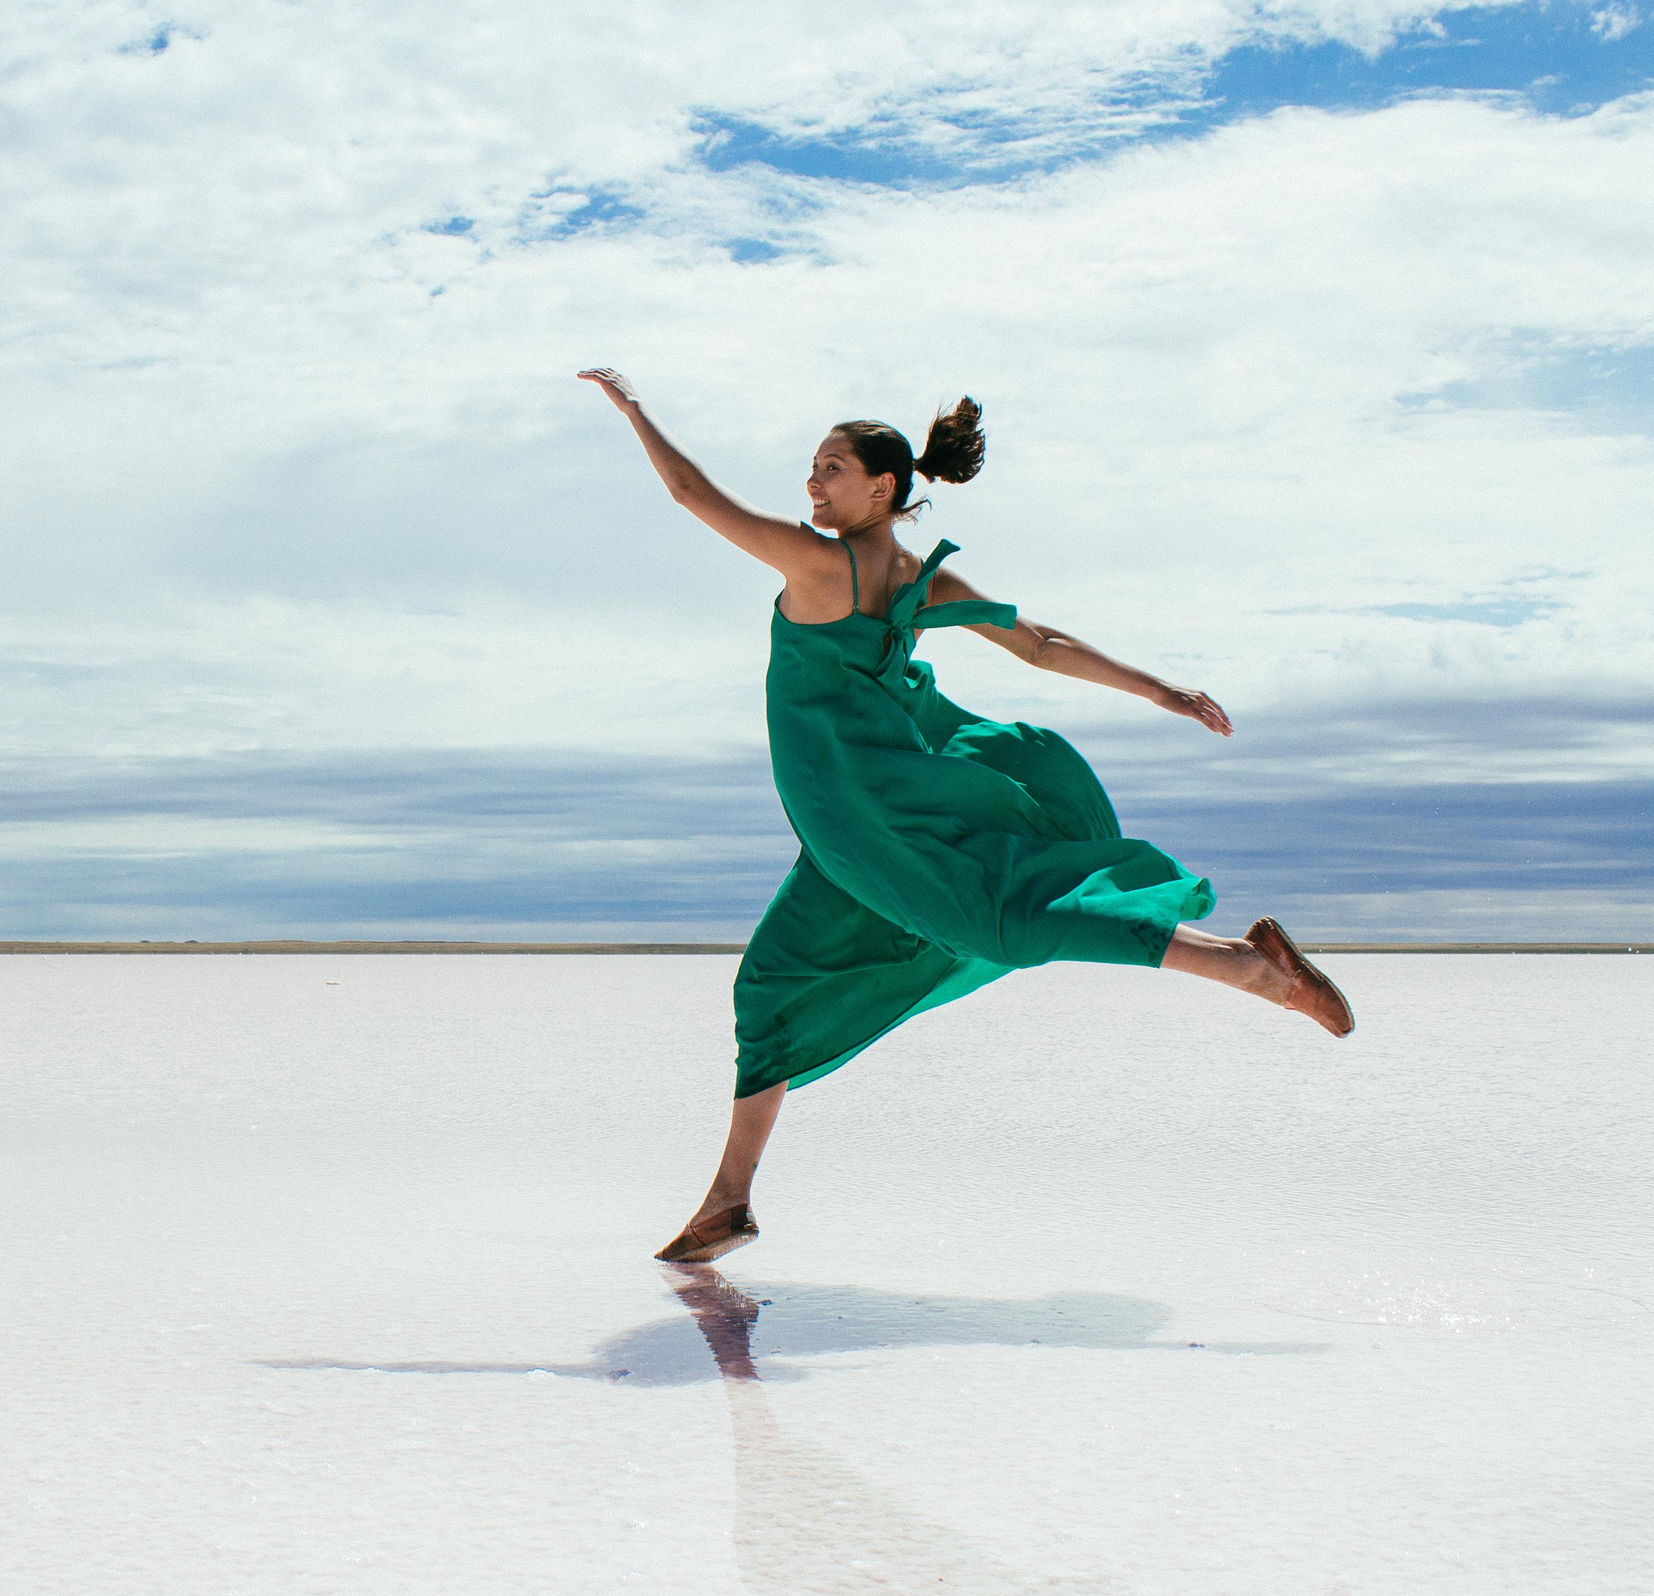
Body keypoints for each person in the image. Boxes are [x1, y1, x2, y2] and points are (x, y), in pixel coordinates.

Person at [577, 368, 1354, 1265]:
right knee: (774, 984)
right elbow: (1039, 645)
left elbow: (688, 492)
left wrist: (636, 411)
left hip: (873, 816)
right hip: (850, 826)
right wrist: (1161, 688)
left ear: (883, 487)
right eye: (813, 468)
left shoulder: (819, 563)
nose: (813, 482)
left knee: (1005, 919)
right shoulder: (907, 578)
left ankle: (1250, 968)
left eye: (830, 467)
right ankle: (728, 1202)